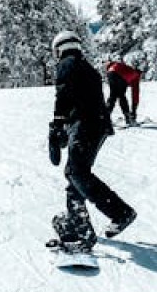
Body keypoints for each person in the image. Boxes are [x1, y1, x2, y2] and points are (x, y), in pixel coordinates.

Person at [47, 31, 137, 252]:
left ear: (60, 48)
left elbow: (63, 94)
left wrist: (57, 124)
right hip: (94, 125)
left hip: (87, 125)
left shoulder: (67, 63)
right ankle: (76, 221)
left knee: (76, 172)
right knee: (75, 173)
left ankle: (119, 212)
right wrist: (65, 127)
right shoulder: (82, 65)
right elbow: (80, 98)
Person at [106, 57, 142, 126]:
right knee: (121, 96)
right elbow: (135, 95)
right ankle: (128, 119)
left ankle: (105, 117)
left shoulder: (127, 67)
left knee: (113, 95)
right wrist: (134, 111)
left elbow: (111, 66)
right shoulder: (135, 75)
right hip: (120, 74)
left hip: (110, 72)